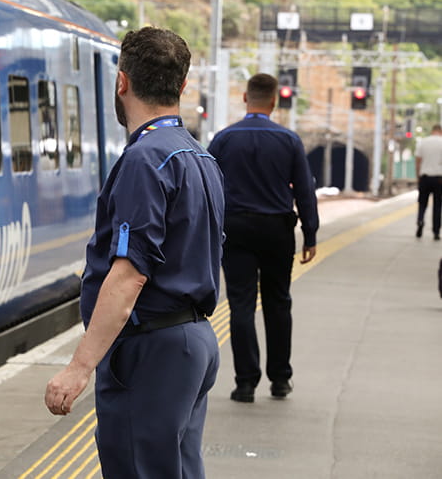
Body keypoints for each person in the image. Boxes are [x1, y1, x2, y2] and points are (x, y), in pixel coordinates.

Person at [44, 27, 224, 478]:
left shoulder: (146, 160)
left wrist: (78, 367)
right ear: (182, 87)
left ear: (121, 83)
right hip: (193, 342)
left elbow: (129, 275)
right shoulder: (201, 158)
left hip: (151, 352)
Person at [206, 73, 318, 403]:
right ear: (273, 101)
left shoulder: (224, 139)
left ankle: (244, 383)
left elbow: (208, 186)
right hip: (276, 231)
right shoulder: (289, 140)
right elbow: (306, 190)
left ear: (245, 98)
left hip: (236, 229)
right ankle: (280, 380)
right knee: (278, 302)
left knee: (241, 304)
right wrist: (310, 234)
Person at [415, 124, 442, 240]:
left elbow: (418, 161)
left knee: (422, 203)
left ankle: (420, 220)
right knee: (437, 206)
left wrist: (418, 176)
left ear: (432, 131)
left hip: (425, 177)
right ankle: (436, 232)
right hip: (439, 178)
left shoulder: (423, 142)